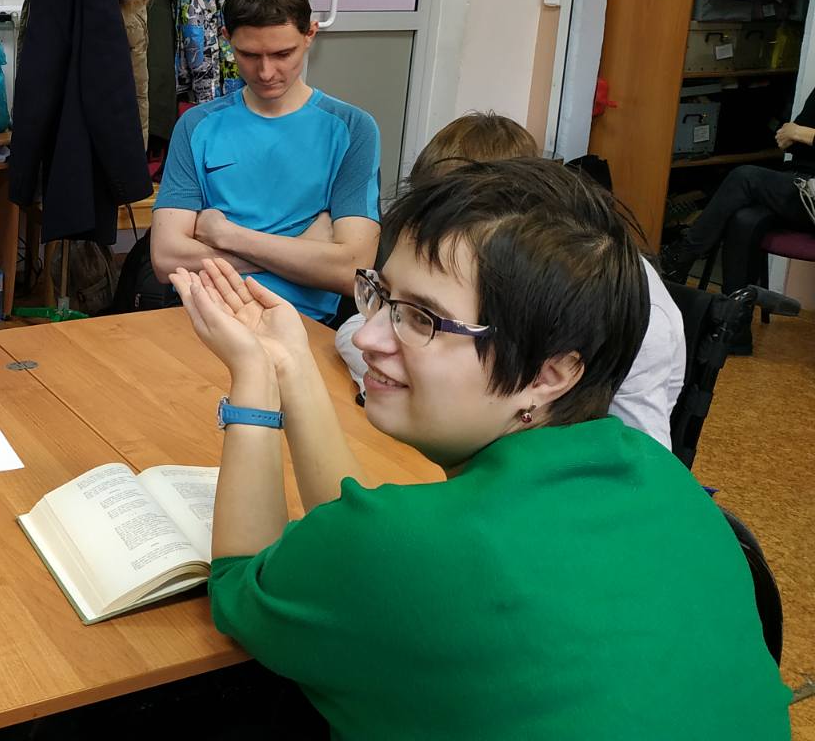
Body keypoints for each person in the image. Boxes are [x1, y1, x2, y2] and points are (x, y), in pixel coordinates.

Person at [169, 158, 790, 738]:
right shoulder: (666, 479)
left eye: (422, 318)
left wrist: (253, 378)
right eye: (381, 295)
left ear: (550, 373)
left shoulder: (412, 550)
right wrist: (289, 361)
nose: (370, 337)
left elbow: (243, 584)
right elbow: (366, 546)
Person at [334, 111, 686, 449]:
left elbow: (641, 452)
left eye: (422, 317)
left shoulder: (626, 307)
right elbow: (355, 329)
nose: (368, 337)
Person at [151, 0, 380, 321]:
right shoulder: (196, 126)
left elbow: (353, 271)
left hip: (303, 325)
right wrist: (304, 249)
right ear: (226, 38)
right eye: (248, 55)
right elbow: (167, 260)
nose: (266, 72)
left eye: (282, 54)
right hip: (207, 318)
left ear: (310, 34)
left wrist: (224, 234)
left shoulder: (353, 129)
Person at [660, 85, 815, 291]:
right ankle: (734, 305)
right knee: (744, 219)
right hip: (797, 183)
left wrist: (801, 133)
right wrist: (798, 134)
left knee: (745, 177)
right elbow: (789, 141)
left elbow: (797, 132)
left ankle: (680, 257)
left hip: (810, 196)